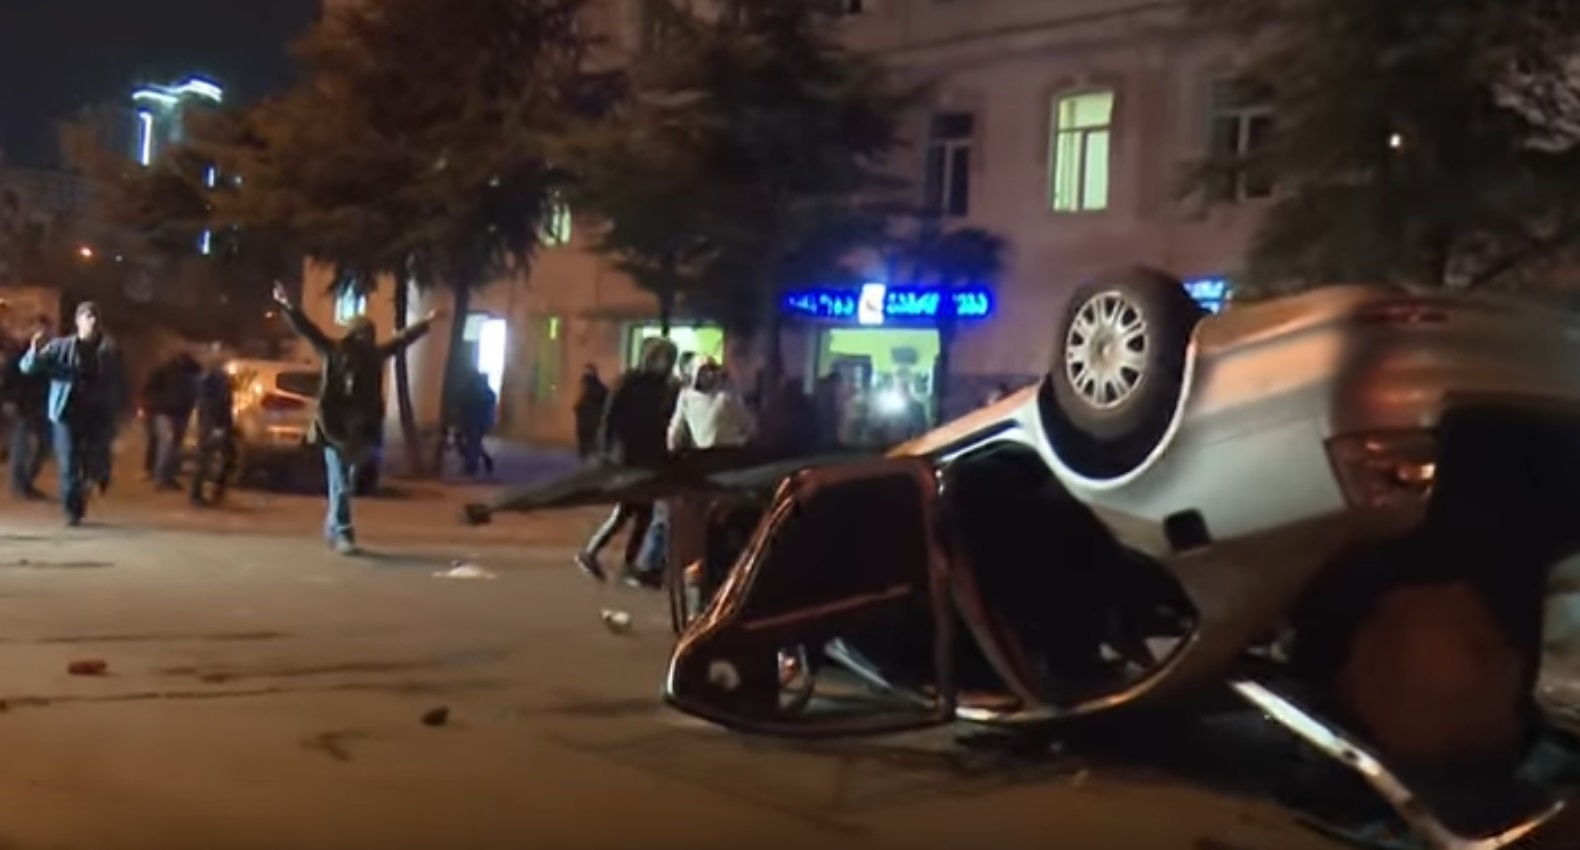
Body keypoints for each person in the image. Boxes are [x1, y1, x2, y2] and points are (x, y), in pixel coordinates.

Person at [271, 282, 441, 555]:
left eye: (367, 335)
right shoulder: (336, 351)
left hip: (358, 431)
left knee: (344, 482)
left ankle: (333, 528)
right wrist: (288, 305)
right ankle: (343, 532)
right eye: (361, 335)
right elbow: (308, 329)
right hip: (334, 427)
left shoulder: (371, 356)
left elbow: (401, 340)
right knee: (340, 481)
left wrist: (425, 323)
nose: (363, 341)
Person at [576, 336, 678, 584]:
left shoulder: (663, 387)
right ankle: (595, 554)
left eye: (669, 359)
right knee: (628, 510)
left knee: (642, 513)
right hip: (629, 456)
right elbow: (610, 417)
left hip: (650, 456)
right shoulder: (630, 382)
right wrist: (606, 451)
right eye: (663, 358)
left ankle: (624, 563)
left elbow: (664, 419)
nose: (666, 363)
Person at [20, 302, 127, 526]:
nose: (92, 321)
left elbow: (118, 384)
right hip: (66, 414)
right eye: (88, 317)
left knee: (91, 463)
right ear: (78, 321)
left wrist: (118, 413)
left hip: (95, 416)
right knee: (68, 462)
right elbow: (28, 368)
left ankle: (85, 491)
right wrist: (34, 351)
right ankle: (72, 511)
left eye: (95, 317)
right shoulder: (61, 347)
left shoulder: (109, 351)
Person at [3, 316, 53, 500]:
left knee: (45, 445)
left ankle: (26, 482)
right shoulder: (20, 353)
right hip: (23, 405)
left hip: (42, 406)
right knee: (21, 446)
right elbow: (8, 378)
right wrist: (9, 400)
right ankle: (20, 485)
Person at [143, 352, 201, 490]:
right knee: (168, 444)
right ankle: (162, 478)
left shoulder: (188, 372)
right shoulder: (165, 370)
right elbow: (149, 389)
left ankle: (168, 477)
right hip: (166, 413)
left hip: (178, 413)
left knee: (174, 446)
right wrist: (157, 404)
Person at [189, 345, 237, 507]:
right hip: (214, 424)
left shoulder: (217, 377)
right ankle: (199, 494)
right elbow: (212, 403)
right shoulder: (214, 378)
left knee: (221, 458)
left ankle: (209, 492)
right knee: (208, 458)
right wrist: (216, 425)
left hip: (217, 424)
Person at [453, 369, 497, 477]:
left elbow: (463, 402)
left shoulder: (479, 391)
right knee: (473, 443)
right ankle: (481, 460)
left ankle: (472, 465)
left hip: (475, 421)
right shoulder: (485, 392)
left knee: (473, 443)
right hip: (474, 421)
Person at [572, 364, 608, 461]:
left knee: (584, 443)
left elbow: (577, 402)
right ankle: (591, 459)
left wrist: (577, 410)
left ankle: (585, 458)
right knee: (592, 443)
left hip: (584, 420)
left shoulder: (583, 386)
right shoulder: (601, 388)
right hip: (594, 420)